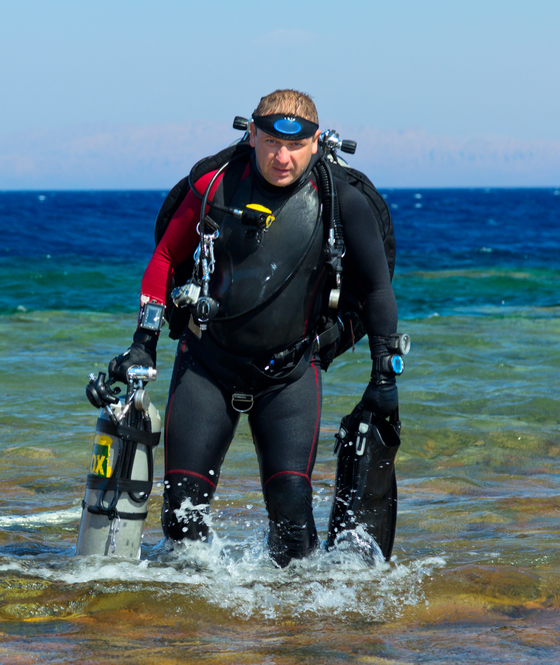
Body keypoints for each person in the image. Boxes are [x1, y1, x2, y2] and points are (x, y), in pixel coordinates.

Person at [108, 89, 399, 567]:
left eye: (296, 146)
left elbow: (378, 291)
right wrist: (144, 342)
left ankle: (289, 634)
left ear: (317, 142)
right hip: (207, 366)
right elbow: (164, 256)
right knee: (181, 520)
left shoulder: (342, 201)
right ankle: (182, 635)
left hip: (288, 376)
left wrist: (384, 377)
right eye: (270, 143)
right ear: (251, 135)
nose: (282, 157)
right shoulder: (213, 186)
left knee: (292, 526)